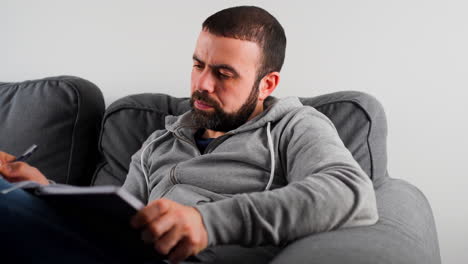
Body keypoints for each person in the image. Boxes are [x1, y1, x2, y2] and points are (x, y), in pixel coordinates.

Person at [0, 6, 378, 264]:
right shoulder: (158, 143)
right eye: (198, 65)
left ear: (267, 84)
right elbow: (113, 226)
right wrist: (44, 189)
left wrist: (206, 222)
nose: (202, 84)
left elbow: (351, 192)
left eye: (224, 74)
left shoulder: (294, 127)